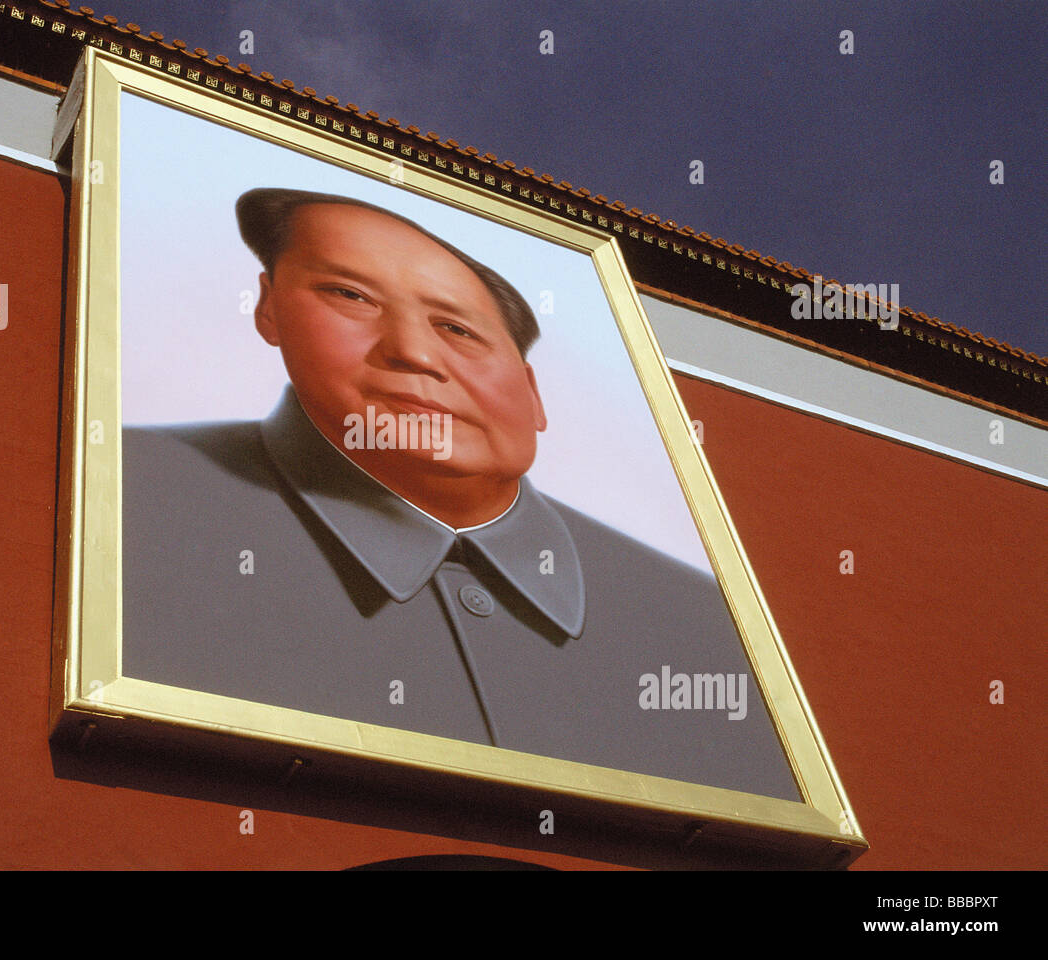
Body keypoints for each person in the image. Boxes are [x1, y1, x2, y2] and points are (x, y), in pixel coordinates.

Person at [121, 188, 799, 800]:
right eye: (351, 296)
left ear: (534, 397)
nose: (413, 352)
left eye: (458, 329)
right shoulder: (132, 492)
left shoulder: (703, 617)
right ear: (269, 307)